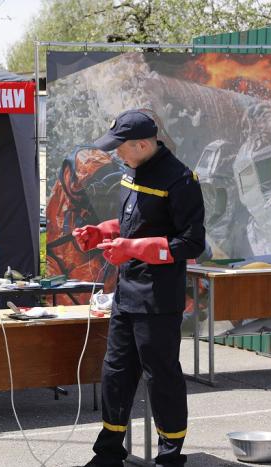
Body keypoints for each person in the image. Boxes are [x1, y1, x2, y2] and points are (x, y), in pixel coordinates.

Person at [73, 110, 205, 467]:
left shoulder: (181, 180)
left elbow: (191, 243)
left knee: (161, 378)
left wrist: (131, 249)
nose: (116, 154)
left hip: (158, 299)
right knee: (115, 373)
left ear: (143, 145)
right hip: (126, 294)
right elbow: (135, 222)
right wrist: (102, 231)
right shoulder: (132, 170)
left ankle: (169, 457)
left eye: (121, 147)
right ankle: (108, 453)